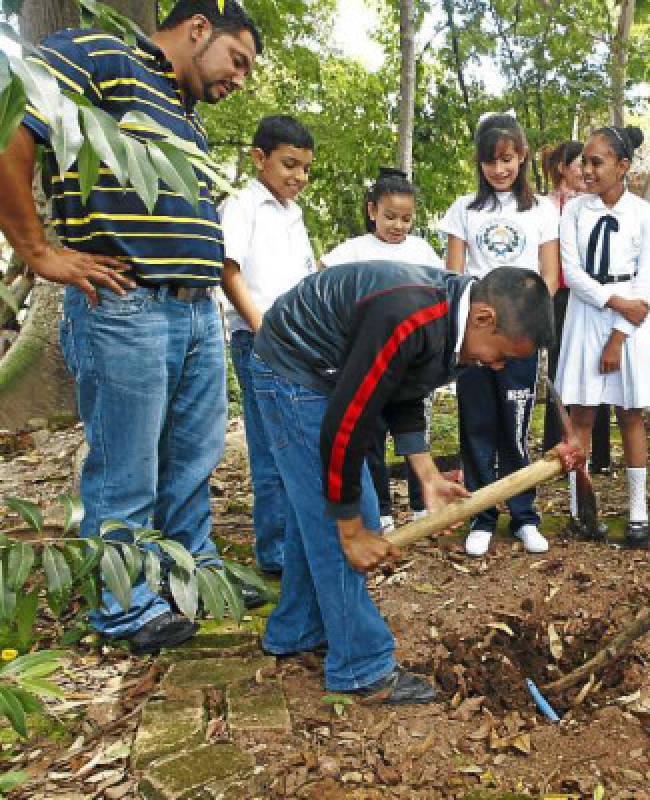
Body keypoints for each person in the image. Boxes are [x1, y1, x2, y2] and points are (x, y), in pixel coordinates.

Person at [0, 0, 263, 654]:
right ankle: (123, 606)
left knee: (192, 461)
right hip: (126, 307)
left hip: (196, 309)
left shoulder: (183, 115)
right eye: (239, 60)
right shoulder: (99, 54)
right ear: (199, 28)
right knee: (127, 470)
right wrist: (38, 252)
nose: (241, 80)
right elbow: (12, 125)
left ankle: (189, 575)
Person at [253, 264, 558, 702]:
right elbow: (347, 425)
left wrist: (427, 474)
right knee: (339, 512)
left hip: (329, 370)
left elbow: (405, 387)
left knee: (318, 512)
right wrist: (352, 530)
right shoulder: (409, 315)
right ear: (484, 317)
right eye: (500, 355)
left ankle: (297, 627)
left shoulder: (450, 321)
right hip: (297, 366)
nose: (496, 366)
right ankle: (361, 667)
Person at [440, 113, 560, 557]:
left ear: (522, 156)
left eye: (507, 159)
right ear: (480, 164)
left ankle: (524, 514)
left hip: (520, 339)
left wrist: (523, 327)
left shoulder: (542, 210)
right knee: (477, 424)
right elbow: (453, 277)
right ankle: (480, 514)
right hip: (475, 337)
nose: (500, 170)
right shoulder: (464, 210)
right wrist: (474, 327)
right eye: (491, 162)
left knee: (514, 426)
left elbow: (548, 276)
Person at [555, 125, 650, 547]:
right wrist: (614, 303)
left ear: (623, 166)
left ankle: (638, 509)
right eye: (584, 160)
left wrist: (619, 336)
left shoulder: (644, 215)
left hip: (632, 323)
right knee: (581, 413)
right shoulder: (575, 212)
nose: (587, 169)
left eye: (597, 161)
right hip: (588, 312)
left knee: (630, 415)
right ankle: (581, 507)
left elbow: (649, 279)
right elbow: (573, 272)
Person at [321, 167, 443, 532]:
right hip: (370, 360)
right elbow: (322, 273)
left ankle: (422, 504)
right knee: (370, 437)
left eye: (406, 219)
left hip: (412, 365)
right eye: (390, 216)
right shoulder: (357, 249)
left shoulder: (421, 250)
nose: (398, 226)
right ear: (372, 210)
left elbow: (442, 287)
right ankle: (383, 510)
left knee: (413, 433)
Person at [221, 115, 317, 578]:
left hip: (297, 342)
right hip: (259, 341)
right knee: (270, 444)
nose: (298, 177)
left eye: (304, 169)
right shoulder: (242, 205)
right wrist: (262, 330)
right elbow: (228, 268)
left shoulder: (292, 211)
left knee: (297, 439)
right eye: (289, 165)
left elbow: (304, 274)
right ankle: (275, 551)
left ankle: (296, 539)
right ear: (260, 158)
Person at [540, 140, 613, 477]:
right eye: (578, 163)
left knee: (599, 368)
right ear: (561, 168)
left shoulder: (595, 204)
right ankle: (554, 446)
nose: (585, 171)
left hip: (593, 296)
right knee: (560, 370)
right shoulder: (545, 207)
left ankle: (598, 453)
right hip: (559, 297)